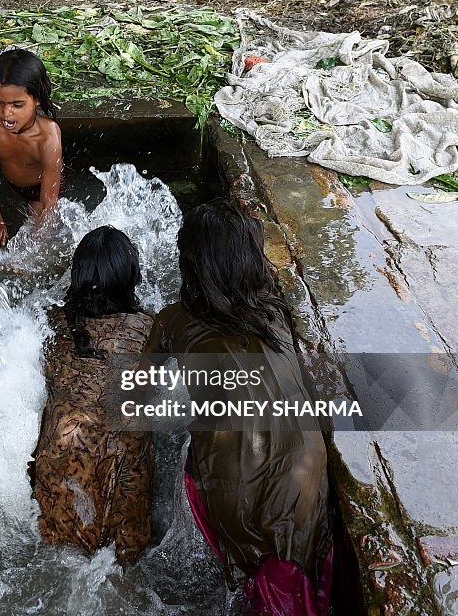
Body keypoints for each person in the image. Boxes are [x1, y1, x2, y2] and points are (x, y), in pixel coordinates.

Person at [143, 199, 333, 615]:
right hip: (305, 479)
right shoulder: (275, 312)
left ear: (191, 267)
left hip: (235, 490)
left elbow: (140, 392)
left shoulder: (173, 320)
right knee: (295, 589)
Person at [31, 226, 154, 565]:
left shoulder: (47, 325)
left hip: (58, 472)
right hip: (121, 476)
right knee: (119, 564)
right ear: (130, 278)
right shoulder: (148, 329)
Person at [0, 49, 65, 251]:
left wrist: (31, 252)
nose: (6, 114)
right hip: (13, 184)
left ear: (37, 99)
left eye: (17, 105)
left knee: (34, 230)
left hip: (42, 187)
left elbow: (49, 202)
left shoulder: (47, 136)